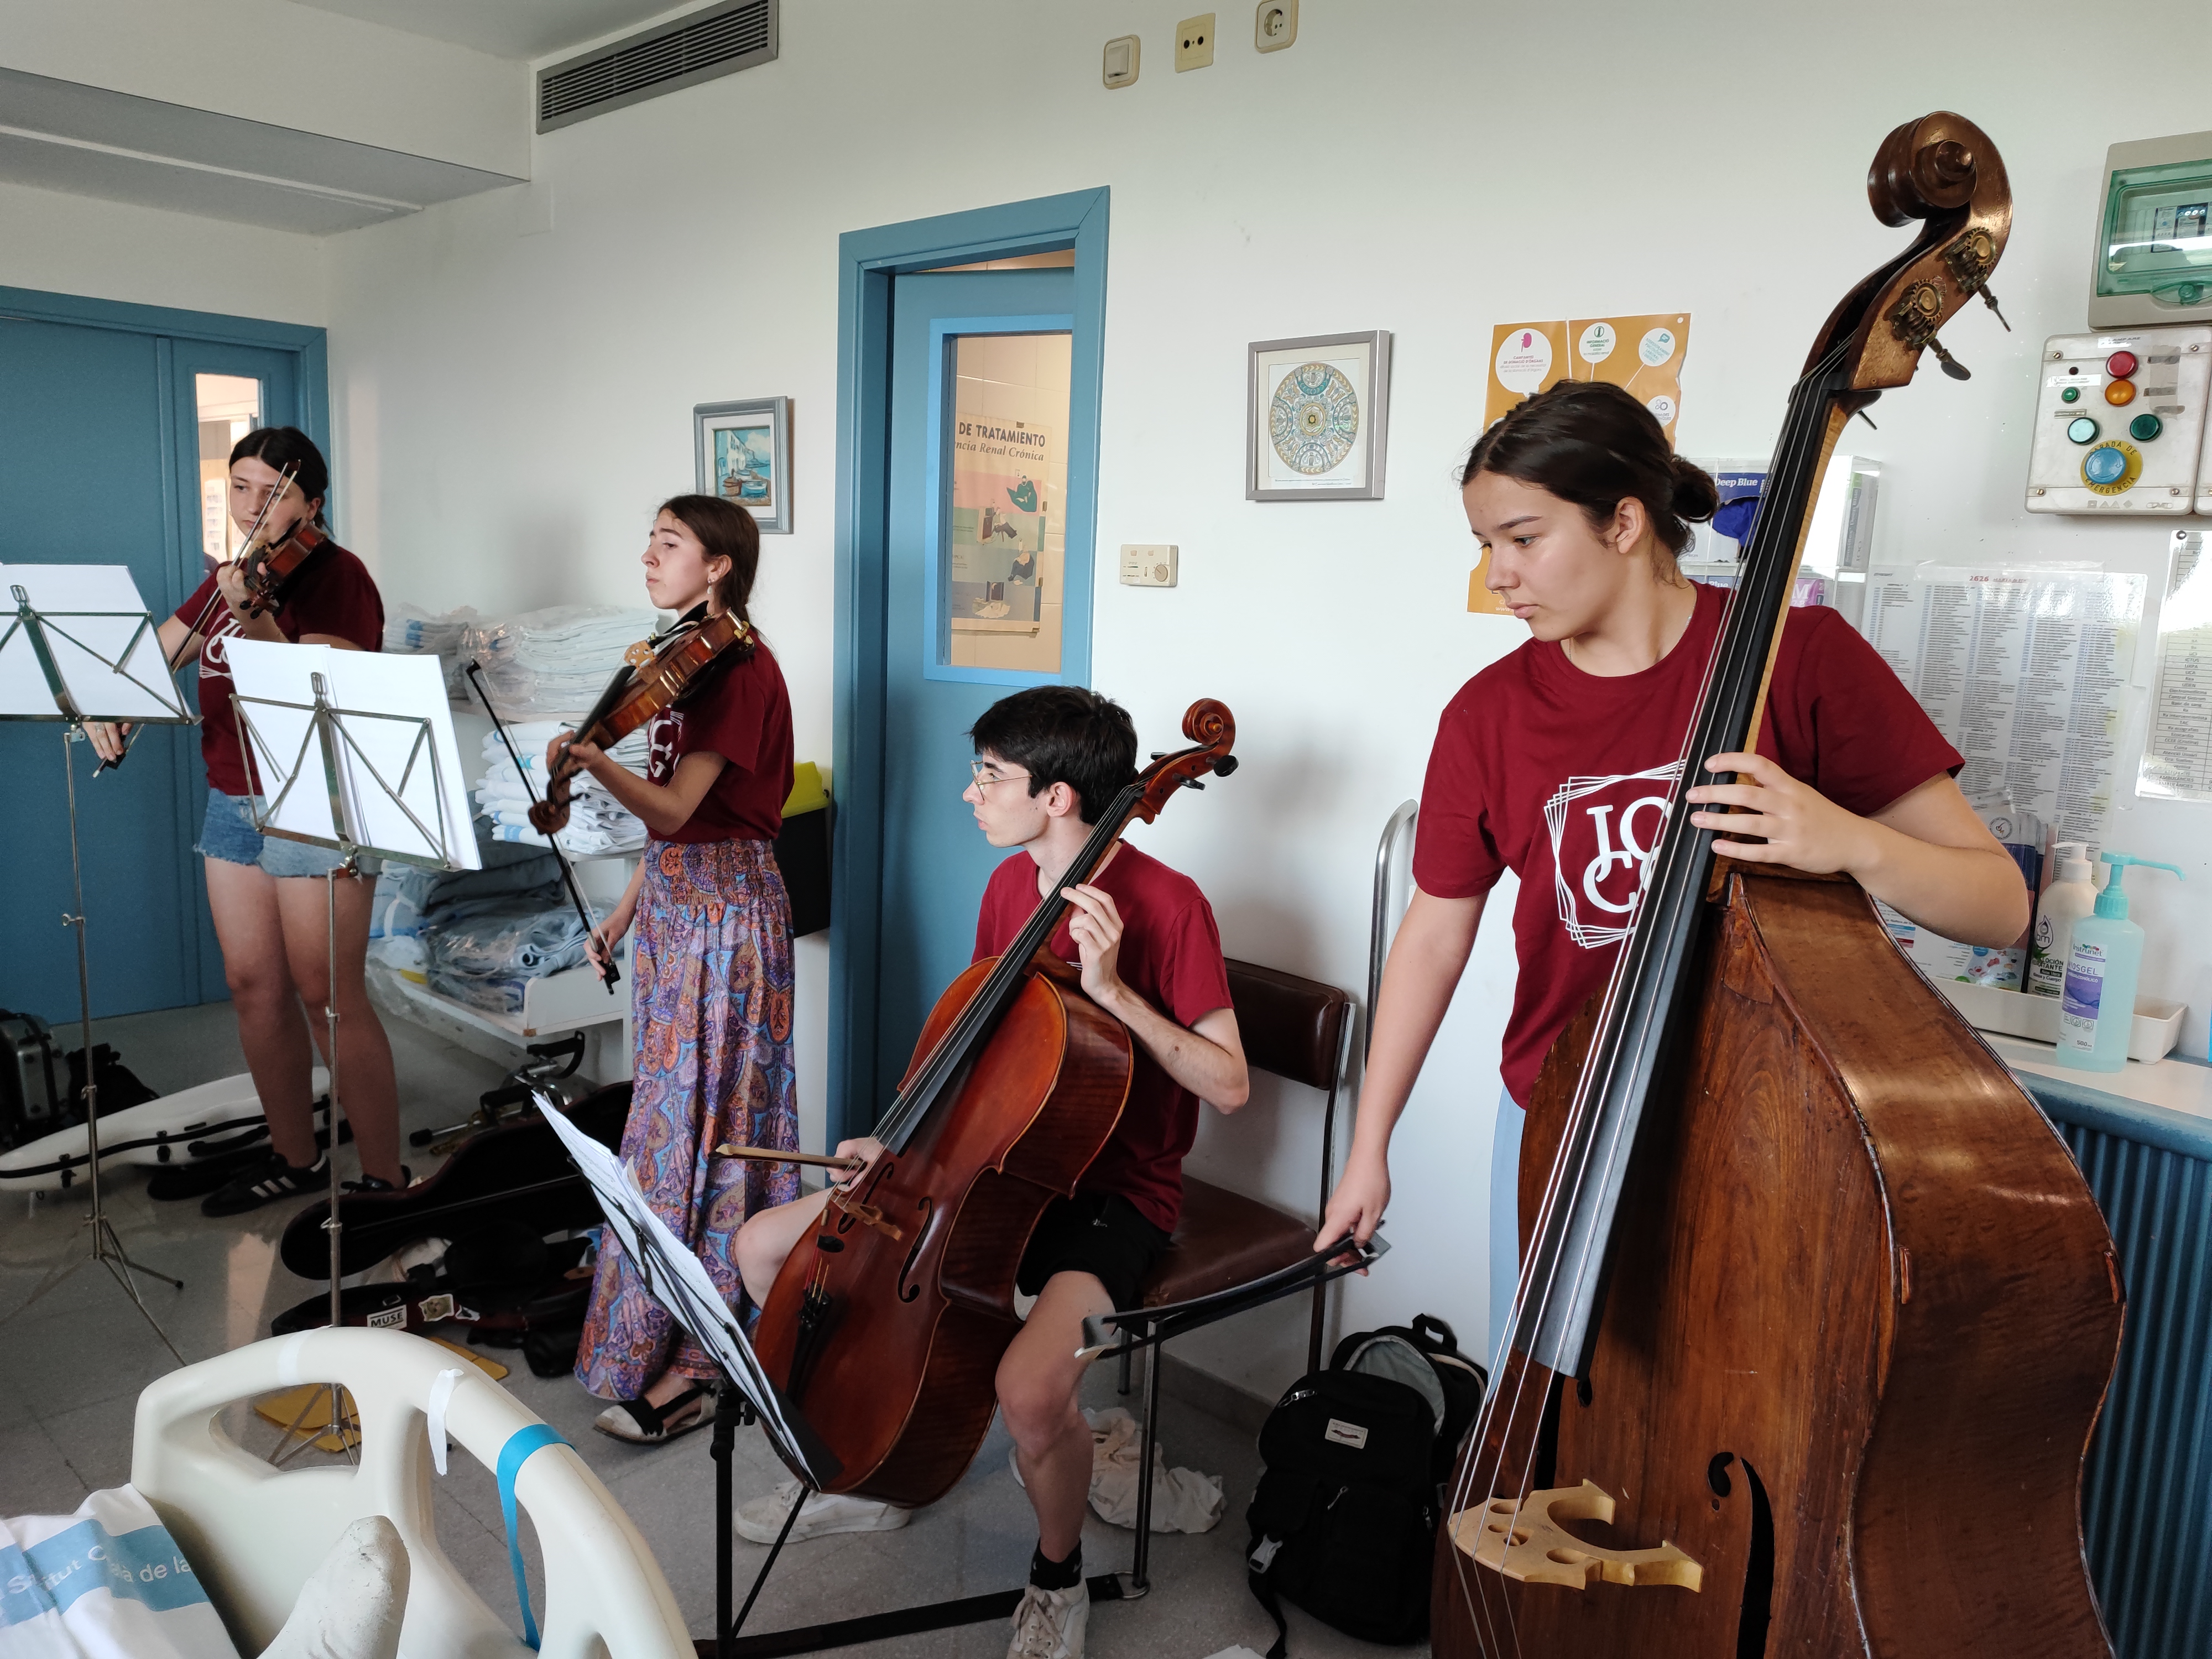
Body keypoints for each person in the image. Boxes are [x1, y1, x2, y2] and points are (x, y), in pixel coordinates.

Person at [1316, 380, 2031, 1367]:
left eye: (1522, 539)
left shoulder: (1801, 659)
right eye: (1485, 546)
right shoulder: (1487, 715)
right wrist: (1370, 1146)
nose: (1498, 576)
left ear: (1623, 523)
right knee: (1541, 1404)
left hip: (1770, 1128)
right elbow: (1434, 935)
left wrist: (1846, 839)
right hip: (1560, 1114)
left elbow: (2000, 906)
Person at [729, 685, 1249, 1659]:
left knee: (1031, 1393)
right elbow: (969, 1041)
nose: (970, 795)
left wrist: (1113, 992)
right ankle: (877, 1475)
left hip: (1111, 1198)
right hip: (976, 1167)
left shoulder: (1171, 904)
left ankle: (1058, 1577)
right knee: (764, 1251)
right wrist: (895, 1136)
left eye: (990, 777)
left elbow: (1228, 1084)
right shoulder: (1011, 886)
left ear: (1057, 797)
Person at [86, 427, 403, 1214]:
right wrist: (112, 701)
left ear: (312, 504)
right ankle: (294, 1156)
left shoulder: (337, 576)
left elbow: (310, 689)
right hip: (233, 796)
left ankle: (386, 1181)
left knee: (327, 993)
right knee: (253, 985)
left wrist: (250, 614)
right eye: (239, 487)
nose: (252, 506)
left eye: (274, 492)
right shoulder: (231, 576)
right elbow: (160, 653)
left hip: (317, 801)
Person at [568, 494, 799, 1446]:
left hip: (728, 917)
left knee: (713, 1132)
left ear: (719, 566)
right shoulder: (686, 663)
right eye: (651, 541)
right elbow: (671, 834)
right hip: (677, 908)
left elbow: (671, 811)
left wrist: (591, 761)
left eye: (669, 544)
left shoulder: (739, 672)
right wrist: (626, 911)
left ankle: (706, 1360)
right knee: (667, 1129)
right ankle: (654, 1335)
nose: (649, 557)